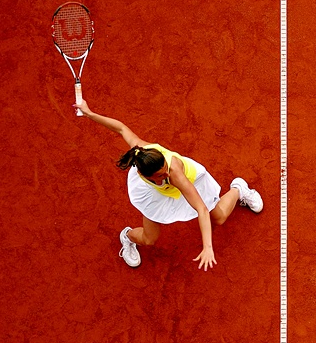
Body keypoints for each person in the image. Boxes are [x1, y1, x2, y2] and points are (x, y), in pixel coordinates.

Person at [74, 98, 263, 270]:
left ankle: (239, 189)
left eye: (165, 168)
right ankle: (127, 236)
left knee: (218, 217)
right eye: (160, 174)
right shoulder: (141, 154)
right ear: (143, 174)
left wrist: (207, 247)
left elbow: (201, 210)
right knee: (149, 240)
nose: (166, 173)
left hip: (191, 182)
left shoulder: (175, 174)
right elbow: (121, 128)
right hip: (156, 194)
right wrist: (89, 113)